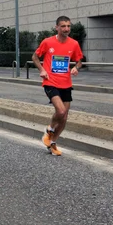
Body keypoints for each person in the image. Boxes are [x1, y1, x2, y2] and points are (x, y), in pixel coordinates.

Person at [32, 15, 84, 156]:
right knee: (60, 111)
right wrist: (42, 70)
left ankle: (53, 143)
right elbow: (35, 57)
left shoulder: (73, 44)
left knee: (65, 117)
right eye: (63, 26)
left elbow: (79, 61)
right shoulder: (48, 42)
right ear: (57, 27)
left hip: (66, 83)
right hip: (50, 81)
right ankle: (49, 129)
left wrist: (76, 68)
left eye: (68, 26)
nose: (66, 29)